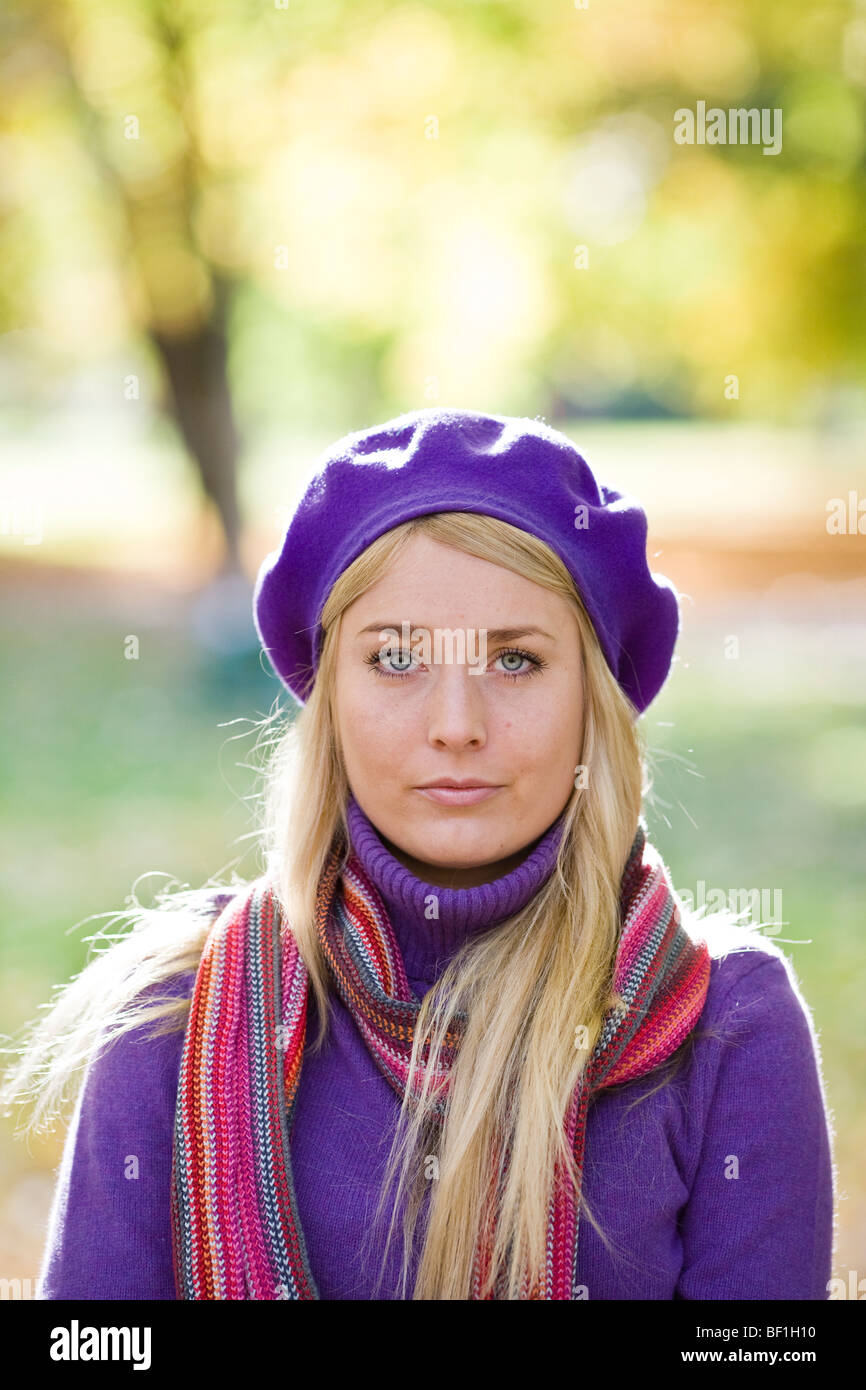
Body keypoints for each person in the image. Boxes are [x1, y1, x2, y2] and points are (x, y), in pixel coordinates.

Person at [2, 407, 835, 1300]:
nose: (456, 727)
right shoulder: (176, 1012)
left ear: (593, 698)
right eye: (397, 658)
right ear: (330, 699)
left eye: (515, 662)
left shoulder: (726, 1027)